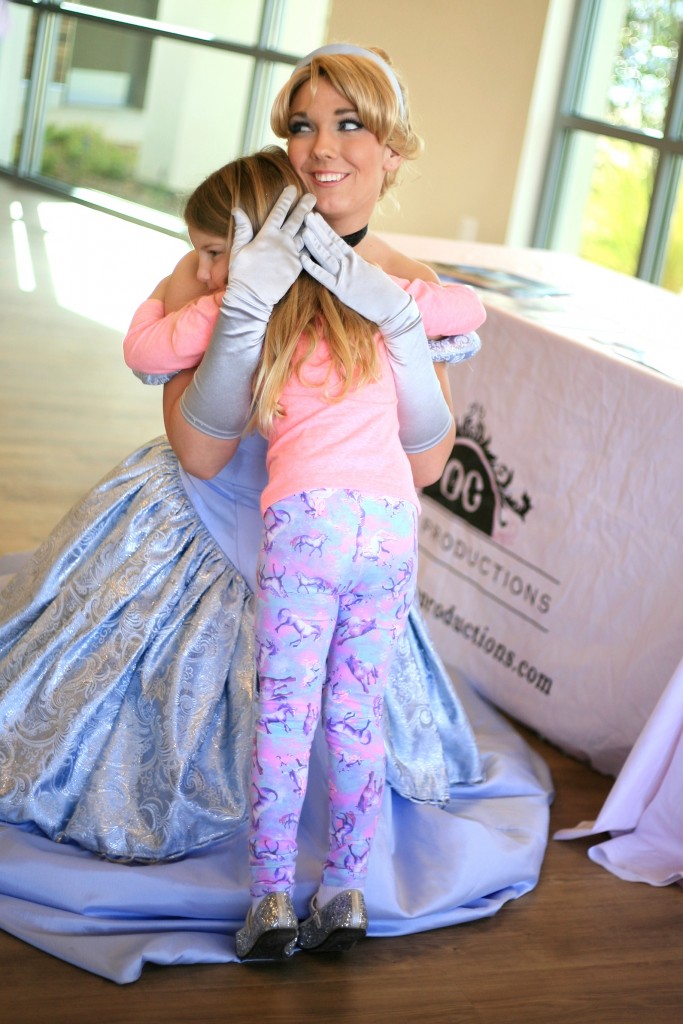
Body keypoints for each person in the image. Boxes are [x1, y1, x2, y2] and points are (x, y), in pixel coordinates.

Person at [0, 43, 551, 981]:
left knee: (339, 708)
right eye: (301, 123)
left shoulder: (406, 285)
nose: (319, 147)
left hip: (341, 536)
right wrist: (239, 307)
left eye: (349, 123)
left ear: (393, 150)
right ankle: (273, 886)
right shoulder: (223, 253)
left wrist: (402, 328)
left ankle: (328, 884)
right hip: (210, 528)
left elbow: (422, 463)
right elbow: (203, 449)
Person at [121, 143, 474, 958]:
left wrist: (208, 291)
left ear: (252, 242)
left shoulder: (249, 303)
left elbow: (144, 351)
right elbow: (469, 313)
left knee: (286, 713)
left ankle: (272, 898)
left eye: (216, 250)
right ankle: (345, 890)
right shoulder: (364, 303)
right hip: (390, 524)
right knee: (356, 713)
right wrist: (389, 302)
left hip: (306, 520)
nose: (205, 268)